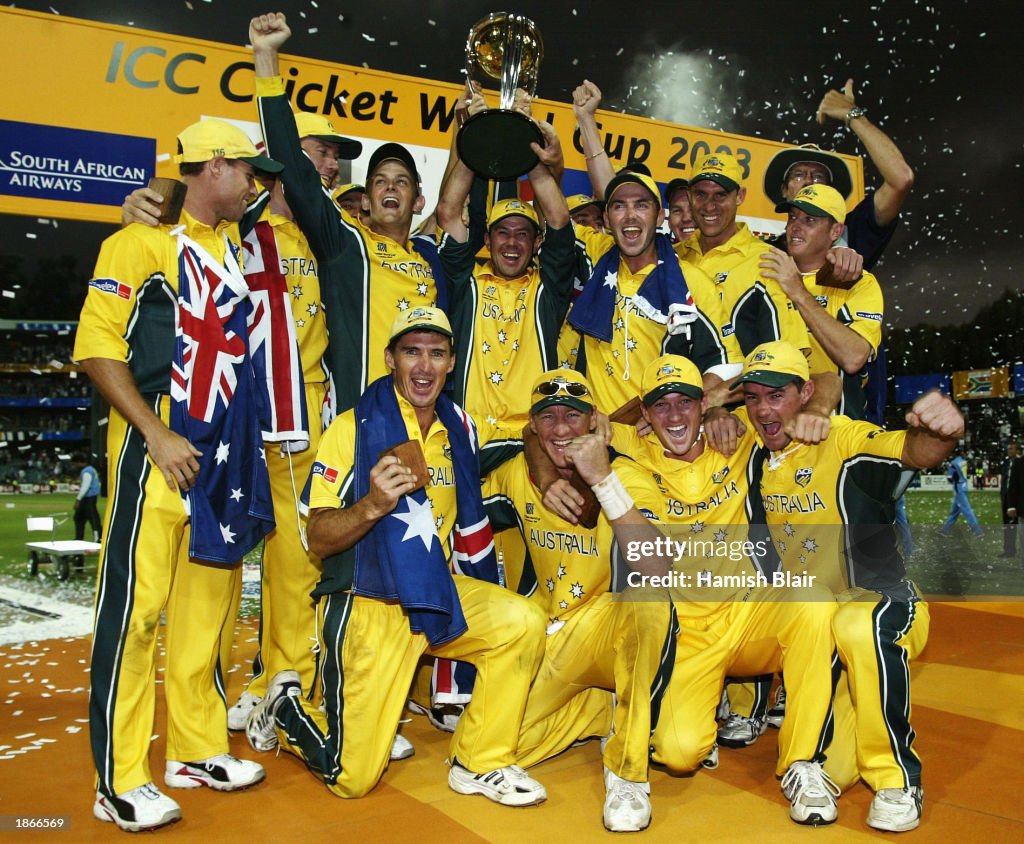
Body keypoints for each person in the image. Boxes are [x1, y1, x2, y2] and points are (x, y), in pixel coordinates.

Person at [244, 306, 548, 805]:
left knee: (521, 622)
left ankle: (481, 760)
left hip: (433, 592)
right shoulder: (351, 428)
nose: (424, 366)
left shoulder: (461, 429)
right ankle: (285, 707)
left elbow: (530, 436)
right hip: (369, 601)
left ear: (452, 362)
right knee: (353, 777)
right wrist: (371, 506)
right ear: (390, 359)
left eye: (436, 353)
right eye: (412, 352)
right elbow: (317, 537)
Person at [76, 118, 281, 831]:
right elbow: (97, 347)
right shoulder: (133, 245)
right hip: (156, 441)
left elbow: (288, 201)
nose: (256, 182)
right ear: (216, 166)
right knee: (134, 614)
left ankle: (193, 750)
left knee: (209, 613)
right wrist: (156, 432)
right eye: (247, 169)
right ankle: (118, 777)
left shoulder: (228, 243)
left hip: (222, 445)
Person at [737, 340, 965, 831]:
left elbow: (912, 450)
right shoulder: (755, 456)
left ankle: (898, 780)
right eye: (752, 397)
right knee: (836, 769)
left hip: (879, 605)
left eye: (775, 395)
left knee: (858, 624)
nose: (761, 409)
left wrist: (943, 434)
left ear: (803, 393)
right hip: (824, 636)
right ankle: (833, 742)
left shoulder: (840, 439)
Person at [605, 355, 838, 827]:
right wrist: (703, 409)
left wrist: (717, 404)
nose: (674, 417)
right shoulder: (630, 454)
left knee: (814, 602)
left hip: (748, 611)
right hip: (688, 632)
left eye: (685, 403)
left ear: (701, 403)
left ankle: (803, 763)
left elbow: (818, 374)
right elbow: (587, 425)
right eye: (661, 406)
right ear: (645, 414)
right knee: (678, 754)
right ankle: (697, 709)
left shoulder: (740, 436)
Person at [483, 370, 676, 832]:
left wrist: (601, 479)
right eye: (548, 418)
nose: (562, 429)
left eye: (574, 416)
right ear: (531, 427)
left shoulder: (628, 473)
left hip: (612, 625)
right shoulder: (518, 472)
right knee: (499, 747)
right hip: (554, 640)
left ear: (596, 421)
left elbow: (660, 567)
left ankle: (628, 773)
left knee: (648, 598)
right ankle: (601, 709)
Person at [251, 12, 443, 414]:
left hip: (420, 424)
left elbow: (457, 209)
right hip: (356, 424)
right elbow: (293, 166)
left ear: (418, 201)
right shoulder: (346, 243)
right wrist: (266, 59)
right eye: (380, 181)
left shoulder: (427, 261)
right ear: (367, 200)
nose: (391, 187)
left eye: (403, 181)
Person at [436, 102, 576, 427]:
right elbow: (448, 212)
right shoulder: (466, 283)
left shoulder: (547, 290)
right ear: (487, 240)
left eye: (522, 234)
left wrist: (522, 140)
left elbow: (557, 217)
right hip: (469, 437)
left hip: (528, 440)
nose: (512, 243)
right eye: (503, 233)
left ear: (536, 243)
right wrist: (477, 137)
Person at [763, 78, 914, 271]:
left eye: (819, 177)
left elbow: (901, 178)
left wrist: (854, 117)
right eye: (798, 175)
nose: (809, 181)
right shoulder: (764, 251)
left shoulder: (851, 234)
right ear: (784, 190)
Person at [760, 185, 883, 419]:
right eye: (793, 217)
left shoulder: (858, 282)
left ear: (835, 231)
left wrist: (798, 291)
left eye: (810, 220)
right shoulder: (764, 276)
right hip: (773, 427)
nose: (795, 226)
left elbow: (854, 357)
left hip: (836, 429)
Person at [676, 152, 811, 357]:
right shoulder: (672, 257)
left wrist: (726, 389)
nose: (709, 205)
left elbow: (786, 357)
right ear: (689, 197)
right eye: (700, 194)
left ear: (740, 196)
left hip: (734, 387)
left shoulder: (767, 261)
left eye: (720, 195)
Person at [940, 451, 983, 537]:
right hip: (964, 486)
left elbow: (949, 477)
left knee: (967, 510)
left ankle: (977, 531)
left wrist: (948, 473)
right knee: (955, 512)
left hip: (958, 488)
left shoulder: (954, 463)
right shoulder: (963, 462)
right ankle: (945, 530)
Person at [71, 452, 101, 542]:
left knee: (93, 519)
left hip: (88, 499)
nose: (74, 466)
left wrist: (78, 500)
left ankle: (98, 539)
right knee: (79, 518)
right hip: (90, 498)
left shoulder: (86, 472)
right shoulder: (91, 469)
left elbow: (85, 487)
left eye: (75, 464)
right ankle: (79, 539)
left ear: (79, 462)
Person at [999, 442, 1021, 556]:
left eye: (1012, 448)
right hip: (1006, 497)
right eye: (1008, 448)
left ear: (1017, 450)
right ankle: (1008, 549)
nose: (1009, 450)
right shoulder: (1006, 462)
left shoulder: (1020, 463)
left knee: (1018, 524)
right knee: (1007, 524)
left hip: (1017, 499)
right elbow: (1004, 479)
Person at [664, 178, 696, 244]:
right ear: (669, 222)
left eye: (693, 210)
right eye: (677, 211)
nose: (686, 218)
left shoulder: (722, 252)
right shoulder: (658, 251)